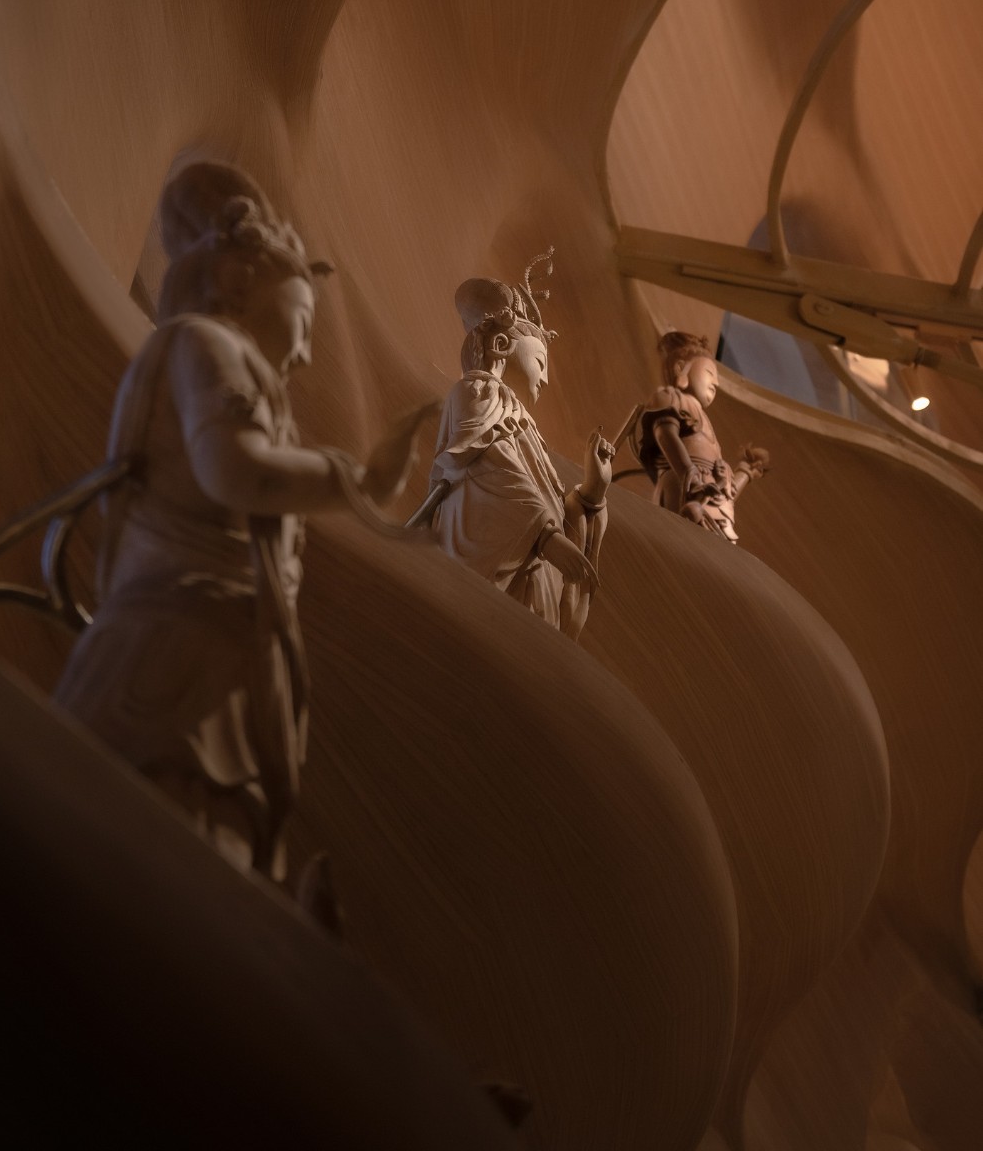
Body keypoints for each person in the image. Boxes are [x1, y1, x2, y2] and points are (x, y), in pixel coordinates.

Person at [54, 161, 429, 884]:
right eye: (305, 320)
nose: (306, 352)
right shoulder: (205, 344)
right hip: (178, 646)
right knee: (157, 858)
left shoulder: (229, 362)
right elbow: (236, 472)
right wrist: (361, 481)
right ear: (239, 281)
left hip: (223, 648)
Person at [428, 254, 613, 639]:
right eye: (540, 363)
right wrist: (545, 535)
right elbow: (490, 467)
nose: (545, 380)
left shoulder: (520, 420)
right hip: (498, 556)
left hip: (533, 563)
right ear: (500, 344)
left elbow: (546, 499)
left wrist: (590, 495)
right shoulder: (475, 392)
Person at [638, 331, 768, 544]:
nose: (715, 383)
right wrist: (688, 472)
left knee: (715, 550)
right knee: (681, 539)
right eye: (709, 373)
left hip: (712, 504)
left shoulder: (709, 430)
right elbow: (665, 434)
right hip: (682, 483)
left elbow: (725, 495)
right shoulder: (672, 397)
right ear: (681, 368)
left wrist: (745, 471)